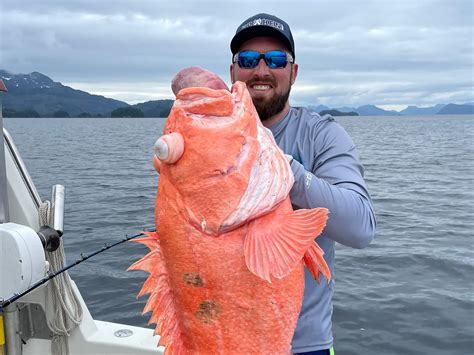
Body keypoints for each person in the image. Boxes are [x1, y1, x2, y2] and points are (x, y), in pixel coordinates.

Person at [229, 13, 376, 355]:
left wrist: (285, 171)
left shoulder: (322, 135)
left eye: (276, 60)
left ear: (293, 73)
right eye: (249, 60)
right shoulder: (209, 131)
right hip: (220, 333)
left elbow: (361, 227)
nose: (261, 70)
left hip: (303, 345)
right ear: (233, 72)